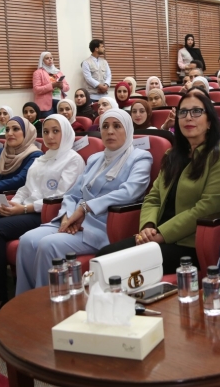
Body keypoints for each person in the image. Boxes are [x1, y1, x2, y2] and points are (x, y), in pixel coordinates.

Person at [97, 90, 220, 272]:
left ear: (209, 121)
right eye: (183, 112)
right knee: (103, 256)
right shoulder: (172, 154)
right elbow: (153, 197)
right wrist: (148, 226)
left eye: (196, 111)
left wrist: (162, 235)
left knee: (114, 266)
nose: (188, 117)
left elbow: (208, 207)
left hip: (189, 244)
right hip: (155, 236)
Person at [15, 110, 153, 295]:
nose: (110, 131)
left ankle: (47, 303)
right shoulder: (95, 158)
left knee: (48, 245)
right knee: (27, 241)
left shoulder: (140, 157)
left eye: (117, 126)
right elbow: (72, 194)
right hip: (74, 220)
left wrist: (85, 208)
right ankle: (25, 300)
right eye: (105, 126)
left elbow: (130, 192)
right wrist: (67, 215)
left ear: (128, 130)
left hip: (102, 225)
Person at [0, 115, 85, 302]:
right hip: (25, 208)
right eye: (46, 131)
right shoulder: (42, 158)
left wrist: (25, 208)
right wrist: (13, 203)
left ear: (66, 133)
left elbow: (61, 196)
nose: (50, 136)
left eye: (56, 131)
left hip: (47, 214)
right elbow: (25, 188)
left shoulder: (73, 160)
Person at [33, 52, 69, 117]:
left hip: (59, 102)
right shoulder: (38, 73)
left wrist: (61, 86)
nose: (50, 60)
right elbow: (36, 89)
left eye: (51, 58)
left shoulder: (58, 72)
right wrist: (52, 85)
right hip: (45, 105)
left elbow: (67, 87)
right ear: (42, 60)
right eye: (47, 58)